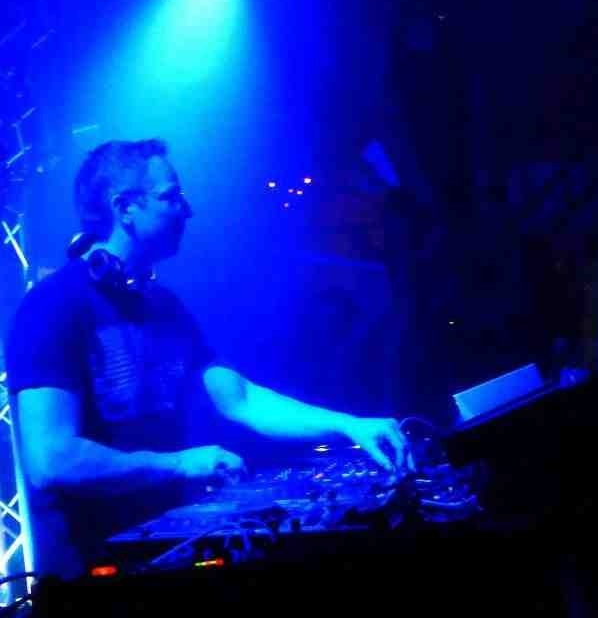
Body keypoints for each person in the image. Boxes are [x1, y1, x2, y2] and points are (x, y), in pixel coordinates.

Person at [4, 139, 410, 581]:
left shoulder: (163, 306)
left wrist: (350, 425)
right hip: (89, 571)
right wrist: (180, 464)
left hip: (165, 550)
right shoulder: (53, 307)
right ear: (125, 208)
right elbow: (54, 459)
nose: (187, 210)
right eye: (171, 196)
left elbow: (242, 399)